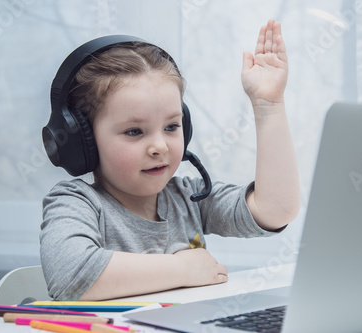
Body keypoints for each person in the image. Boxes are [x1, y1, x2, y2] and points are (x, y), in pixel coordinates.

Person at [40, 19, 300, 301]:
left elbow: (276, 210)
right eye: (134, 131)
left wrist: (269, 106)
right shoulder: (75, 202)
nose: (160, 146)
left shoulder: (189, 198)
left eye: (172, 127)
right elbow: (71, 277)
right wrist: (182, 269)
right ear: (84, 141)